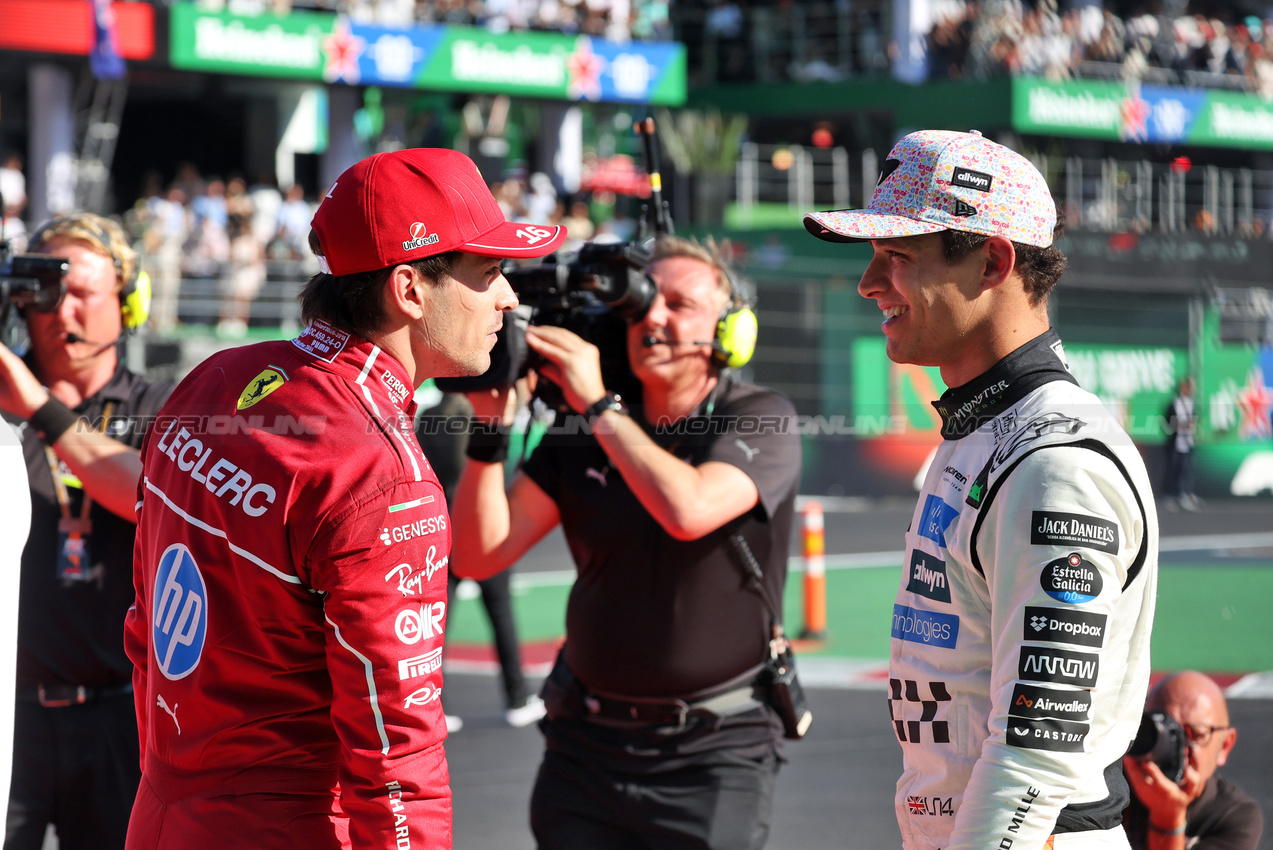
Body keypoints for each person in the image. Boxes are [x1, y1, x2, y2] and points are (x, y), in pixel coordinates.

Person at [123, 148, 565, 849]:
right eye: (489, 273)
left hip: (163, 803)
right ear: (411, 289)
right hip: (288, 825)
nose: (510, 298)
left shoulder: (212, 378)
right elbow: (397, 756)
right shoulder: (383, 477)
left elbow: (144, 627)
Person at [804, 129, 1159, 849]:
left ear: (993, 260)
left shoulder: (1054, 461)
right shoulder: (982, 430)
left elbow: (1037, 751)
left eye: (895, 256)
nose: (869, 284)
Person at [450, 234, 803, 850]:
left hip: (715, 751)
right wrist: (489, 429)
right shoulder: (582, 433)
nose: (653, 318)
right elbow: (478, 555)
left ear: (730, 332)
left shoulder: (760, 416)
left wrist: (599, 403)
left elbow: (688, 509)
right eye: (641, 303)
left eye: (679, 304)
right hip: (585, 747)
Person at [0, 212, 175, 850]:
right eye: (46, 291)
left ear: (129, 303)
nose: (60, 310)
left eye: (82, 293)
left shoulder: (161, 405)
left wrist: (39, 411)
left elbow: (146, 493)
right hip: (6, 712)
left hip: (117, 714)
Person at [413, 391, 546, 731]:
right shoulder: (480, 417)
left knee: (437, 625)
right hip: (480, 526)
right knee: (502, 616)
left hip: (444, 528)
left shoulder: (427, 416)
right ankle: (517, 698)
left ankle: (435, 704)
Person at [1123, 671, 1263, 850]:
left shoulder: (1234, 816)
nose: (1179, 747)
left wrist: (1168, 817)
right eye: (1165, 732)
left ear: (1225, 745)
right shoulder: (1107, 785)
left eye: (1196, 734)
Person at [1164, 377, 1200, 512]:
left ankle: (1186, 494)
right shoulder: (1174, 404)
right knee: (1173, 470)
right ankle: (1171, 496)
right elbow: (1167, 422)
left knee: (1186, 471)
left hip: (1187, 442)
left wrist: (1191, 425)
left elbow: (1194, 421)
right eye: (1188, 387)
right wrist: (1176, 426)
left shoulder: (1191, 404)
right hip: (1175, 443)